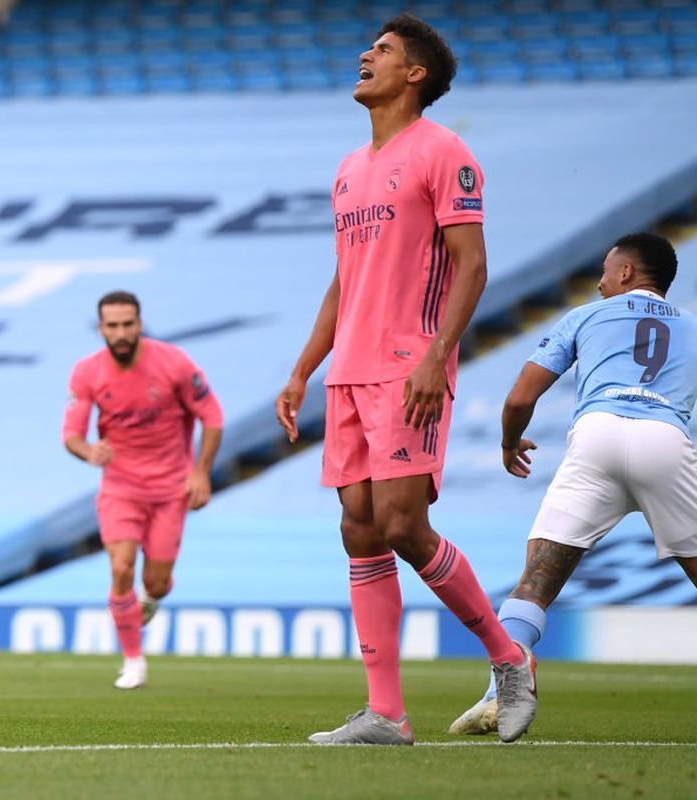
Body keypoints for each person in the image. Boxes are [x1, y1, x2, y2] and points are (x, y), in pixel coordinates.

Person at [274, 13, 536, 745]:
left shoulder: (444, 151)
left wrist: (435, 356)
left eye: (383, 51)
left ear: (415, 74)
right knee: (359, 531)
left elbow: (473, 265)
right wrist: (302, 369)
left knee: (402, 525)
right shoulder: (349, 168)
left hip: (408, 368)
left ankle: (510, 660)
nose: (367, 55)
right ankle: (386, 712)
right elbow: (342, 280)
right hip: (350, 374)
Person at [450, 233, 697, 734]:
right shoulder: (693, 329)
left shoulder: (584, 316)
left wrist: (508, 442)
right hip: (667, 441)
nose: (600, 280)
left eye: (607, 269)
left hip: (596, 438)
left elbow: (520, 398)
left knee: (535, 582)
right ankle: (496, 694)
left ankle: (504, 689)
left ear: (627, 272)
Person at [63, 291, 223, 689]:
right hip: (120, 487)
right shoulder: (87, 372)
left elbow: (213, 417)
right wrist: (88, 451)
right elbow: (71, 434)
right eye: (112, 326)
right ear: (100, 329)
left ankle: (149, 600)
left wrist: (201, 473)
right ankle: (133, 660)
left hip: (171, 488)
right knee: (120, 568)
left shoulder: (174, 363)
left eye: (127, 324)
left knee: (156, 583)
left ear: (139, 324)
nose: (120, 333)